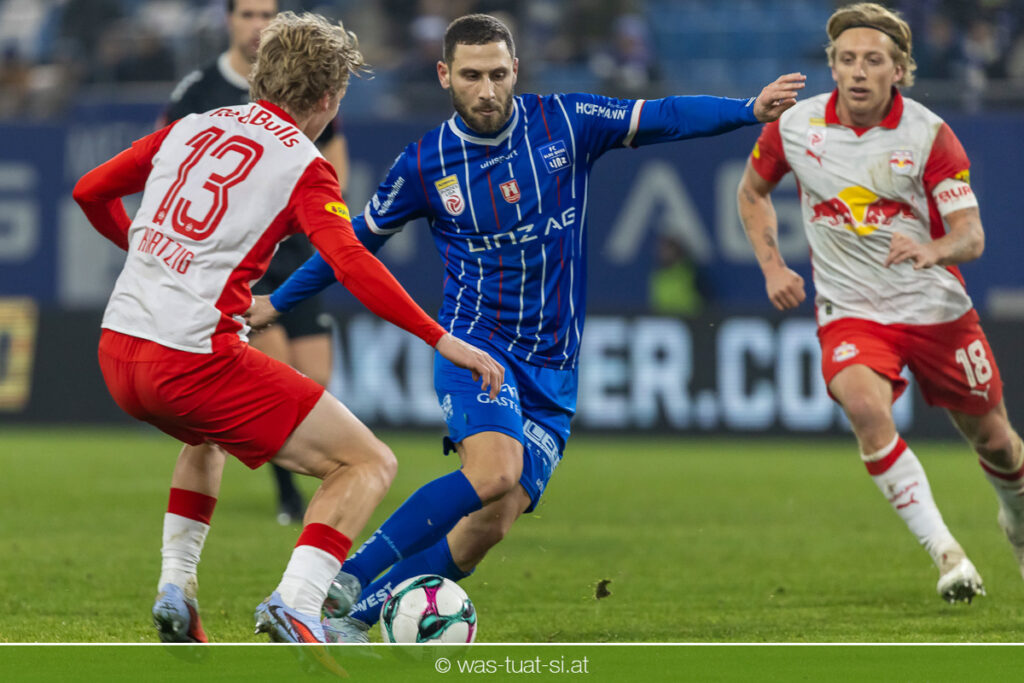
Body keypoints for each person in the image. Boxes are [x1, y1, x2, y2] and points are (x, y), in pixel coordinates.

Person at [248, 13, 805, 641]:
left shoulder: (566, 122)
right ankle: (341, 579)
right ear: (444, 75)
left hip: (554, 369)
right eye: (470, 76)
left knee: (493, 520)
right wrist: (278, 302)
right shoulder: (424, 163)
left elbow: (666, 115)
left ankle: (350, 621)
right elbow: (351, 247)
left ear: (516, 70)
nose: (486, 90)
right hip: (476, 348)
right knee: (495, 472)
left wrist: (747, 108)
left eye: (497, 74)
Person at [72, 11, 503, 644]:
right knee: (366, 462)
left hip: (118, 351)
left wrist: (144, 254)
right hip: (191, 361)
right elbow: (350, 261)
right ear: (328, 99)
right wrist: (441, 337)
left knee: (206, 438)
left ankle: (176, 586)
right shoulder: (304, 163)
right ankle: (296, 603)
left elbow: (89, 191)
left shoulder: (192, 127)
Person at [736, 2, 1024, 604]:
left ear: (899, 70)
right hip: (852, 313)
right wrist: (773, 266)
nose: (858, 71)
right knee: (866, 409)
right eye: (847, 59)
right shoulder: (796, 126)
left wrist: (932, 248)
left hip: (935, 312)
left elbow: (971, 237)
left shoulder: (928, 134)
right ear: (832, 66)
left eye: (873, 60)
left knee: (997, 442)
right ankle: (948, 555)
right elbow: (753, 191)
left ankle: (1016, 522)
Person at [163, 0, 350, 526]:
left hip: (297, 255)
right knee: (279, 375)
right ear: (229, 20)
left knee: (315, 378)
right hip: (244, 260)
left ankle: (299, 477)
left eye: (267, 14)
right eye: (247, 14)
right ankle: (290, 496)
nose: (258, 25)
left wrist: (321, 213)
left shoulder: (303, 81)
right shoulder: (198, 92)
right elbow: (169, 164)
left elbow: (334, 162)